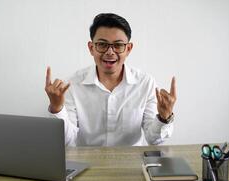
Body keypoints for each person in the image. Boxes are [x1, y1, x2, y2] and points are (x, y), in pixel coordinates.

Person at [45, 13, 176, 146]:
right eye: (102, 44)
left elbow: (153, 140)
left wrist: (164, 117)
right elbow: (68, 141)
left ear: (128, 49)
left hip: (131, 162)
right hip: (86, 163)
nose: (110, 52)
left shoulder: (145, 83)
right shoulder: (72, 85)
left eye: (118, 45)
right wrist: (57, 108)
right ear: (91, 48)